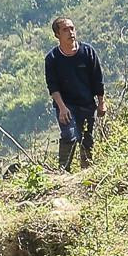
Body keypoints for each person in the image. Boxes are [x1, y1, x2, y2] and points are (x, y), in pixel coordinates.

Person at [43, 16, 105, 169]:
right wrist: (62, 108)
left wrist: (101, 102)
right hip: (66, 105)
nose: (70, 32)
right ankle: (63, 171)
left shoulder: (87, 52)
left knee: (87, 139)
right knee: (69, 136)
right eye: (65, 30)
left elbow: (98, 79)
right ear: (57, 35)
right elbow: (53, 86)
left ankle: (87, 171)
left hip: (87, 104)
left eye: (72, 28)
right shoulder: (52, 58)